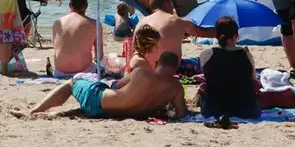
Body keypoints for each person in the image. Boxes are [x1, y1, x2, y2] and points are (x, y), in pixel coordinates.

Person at [29, 52, 188, 120]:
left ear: (157, 63)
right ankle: (58, 114)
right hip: (119, 115)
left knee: (73, 82)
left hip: (100, 105)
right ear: (175, 68)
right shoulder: (176, 88)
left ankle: (33, 110)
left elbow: (117, 85)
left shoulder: (142, 73)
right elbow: (180, 114)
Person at [197, 16, 260, 119]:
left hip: (213, 110)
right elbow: (253, 80)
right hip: (246, 111)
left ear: (216, 35)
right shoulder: (246, 55)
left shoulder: (206, 54)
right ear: (235, 36)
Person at [134, 0, 215, 61]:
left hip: (144, 66)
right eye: (171, 5)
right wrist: (223, 31)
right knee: (200, 61)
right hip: (168, 68)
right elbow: (201, 32)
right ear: (166, 4)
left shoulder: (141, 22)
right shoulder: (176, 21)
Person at [50, 0, 101, 77]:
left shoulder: (57, 22)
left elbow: (57, 47)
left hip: (59, 72)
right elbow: (99, 55)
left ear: (70, 5)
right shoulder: (94, 24)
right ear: (86, 6)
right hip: (84, 72)